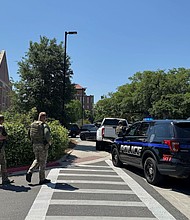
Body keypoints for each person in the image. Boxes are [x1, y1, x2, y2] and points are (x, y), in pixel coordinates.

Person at [26, 112, 51, 185]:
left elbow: (29, 134)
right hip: (42, 145)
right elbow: (47, 134)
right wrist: (49, 143)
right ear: (44, 118)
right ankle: (42, 179)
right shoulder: (43, 125)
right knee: (42, 162)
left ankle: (30, 171)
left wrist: (32, 141)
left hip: (35, 144)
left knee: (37, 159)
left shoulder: (33, 124)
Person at [0, 115, 14, 185]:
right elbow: (2, 137)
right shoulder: (1, 127)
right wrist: (5, 137)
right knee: (3, 163)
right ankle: (5, 179)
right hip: (0, 148)